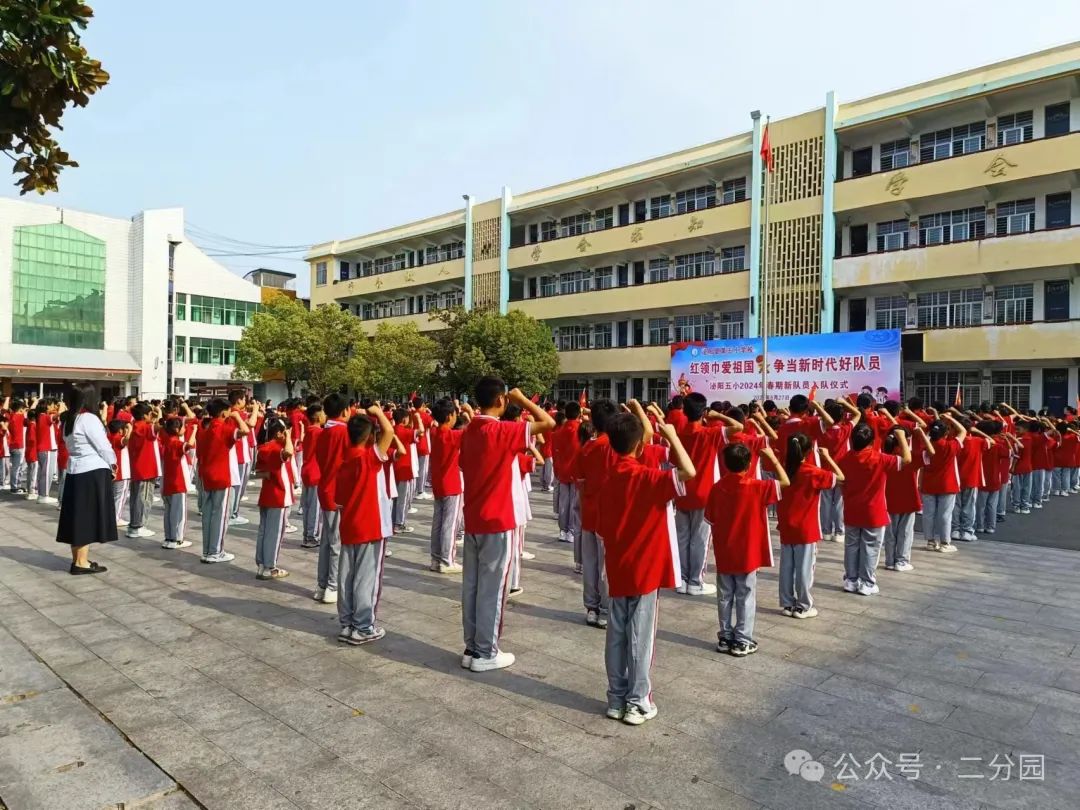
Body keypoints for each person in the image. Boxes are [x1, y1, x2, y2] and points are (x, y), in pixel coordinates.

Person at [596, 413, 695, 725]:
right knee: (640, 636)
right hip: (645, 568)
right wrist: (673, 437)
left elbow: (601, 527)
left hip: (618, 564)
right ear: (640, 446)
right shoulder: (647, 478)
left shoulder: (609, 478)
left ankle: (616, 697)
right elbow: (689, 471)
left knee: (617, 633)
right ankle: (638, 701)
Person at [459, 378, 555, 673]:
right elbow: (548, 423)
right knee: (493, 588)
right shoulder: (501, 430)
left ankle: (473, 646)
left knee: (473, 586)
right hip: (498, 519)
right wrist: (522, 399)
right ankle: (486, 651)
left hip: (475, 516)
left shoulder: (469, 429)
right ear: (501, 400)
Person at [706, 442, 788, 656]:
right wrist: (773, 458)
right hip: (748, 550)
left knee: (725, 594)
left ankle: (725, 635)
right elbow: (785, 481)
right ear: (749, 463)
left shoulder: (717, 487)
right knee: (745, 593)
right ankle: (742, 638)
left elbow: (710, 518)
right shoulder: (757, 486)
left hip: (725, 549)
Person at [335, 406, 396, 645]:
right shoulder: (368, 459)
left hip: (350, 524)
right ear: (370, 437)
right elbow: (389, 432)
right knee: (366, 578)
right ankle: (363, 626)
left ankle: (348, 623)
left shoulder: (345, 462)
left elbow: (339, 500)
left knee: (347, 576)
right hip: (371, 524)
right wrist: (379, 412)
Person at [674, 392, 735, 596]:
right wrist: (719, 416)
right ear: (703, 412)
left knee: (682, 537)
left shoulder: (679, 433)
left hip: (682, 491)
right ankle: (695, 581)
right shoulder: (710, 433)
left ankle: (681, 578)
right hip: (703, 493)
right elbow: (739, 427)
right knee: (699, 539)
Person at [777, 433, 843, 619]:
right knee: (805, 568)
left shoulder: (783, 470)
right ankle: (803, 605)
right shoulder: (812, 472)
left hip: (786, 525)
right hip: (806, 527)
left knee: (787, 567)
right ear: (807, 451)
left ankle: (787, 602)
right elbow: (841, 478)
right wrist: (827, 457)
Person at [839, 422, 910, 595]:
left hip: (852, 508)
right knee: (870, 546)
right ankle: (867, 582)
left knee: (852, 545)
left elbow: (841, 482)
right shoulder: (879, 458)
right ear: (871, 441)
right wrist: (901, 437)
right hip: (874, 510)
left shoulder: (845, 458)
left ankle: (851, 579)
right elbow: (906, 460)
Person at [56, 384, 117, 574]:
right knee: (86, 518)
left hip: (75, 471)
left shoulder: (68, 419)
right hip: (91, 471)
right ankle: (81, 563)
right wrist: (113, 463)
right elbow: (103, 446)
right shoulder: (89, 419)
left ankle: (79, 559)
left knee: (77, 516)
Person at [576, 399, 620, 627]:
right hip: (608, 515)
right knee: (606, 566)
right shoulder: (614, 447)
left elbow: (581, 484)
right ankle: (604, 608)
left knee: (591, 564)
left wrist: (584, 511)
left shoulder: (587, 448)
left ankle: (591, 607)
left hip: (589, 513)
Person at [195, 398, 250, 563]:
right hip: (221, 476)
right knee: (220, 515)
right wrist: (238, 417)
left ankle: (207, 549)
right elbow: (245, 431)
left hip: (207, 475)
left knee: (208, 514)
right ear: (223, 412)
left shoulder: (204, 428)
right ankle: (215, 551)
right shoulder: (223, 428)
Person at [314, 393, 350, 604]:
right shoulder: (343, 432)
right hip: (337, 491)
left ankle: (322, 584)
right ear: (345, 411)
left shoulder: (322, 432)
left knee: (328, 541)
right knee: (336, 542)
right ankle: (332, 585)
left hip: (325, 487)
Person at [883, 424, 931, 572]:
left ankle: (890, 560)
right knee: (905, 532)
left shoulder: (884, 455)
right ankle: (902, 561)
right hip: (908, 498)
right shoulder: (912, 455)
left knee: (890, 533)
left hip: (888, 498)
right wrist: (922, 434)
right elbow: (931, 452)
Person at [253, 418, 294, 580]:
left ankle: (262, 564)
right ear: (278, 433)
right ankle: (270, 566)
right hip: (279, 495)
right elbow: (289, 453)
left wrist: (269, 474)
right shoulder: (276, 448)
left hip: (267, 494)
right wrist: (288, 438)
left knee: (264, 531)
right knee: (275, 533)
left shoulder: (262, 448)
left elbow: (258, 472)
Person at [920, 413, 967, 554]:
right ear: (945, 433)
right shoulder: (950, 446)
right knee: (945, 514)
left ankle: (930, 541)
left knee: (929, 514)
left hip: (929, 484)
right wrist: (950, 419)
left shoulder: (926, 448)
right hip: (947, 484)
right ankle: (945, 543)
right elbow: (963, 431)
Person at [428, 399, 465, 574]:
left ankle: (436, 558)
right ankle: (447, 560)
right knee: (450, 523)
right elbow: (473, 430)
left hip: (438, 482)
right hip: (451, 483)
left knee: (438, 522)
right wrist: (470, 413)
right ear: (450, 416)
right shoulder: (451, 435)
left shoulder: (435, 432)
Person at [817, 398, 860, 541]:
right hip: (841, 470)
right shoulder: (845, 430)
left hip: (825, 469)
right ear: (842, 416)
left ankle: (826, 530)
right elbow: (857, 414)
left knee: (826, 501)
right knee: (839, 502)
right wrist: (845, 402)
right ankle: (839, 532)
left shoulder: (822, 430)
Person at [951, 416, 990, 543]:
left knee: (955, 505)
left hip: (955, 478)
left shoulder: (952, 441)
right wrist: (977, 431)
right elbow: (991, 441)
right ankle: (967, 531)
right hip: (971, 478)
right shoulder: (977, 441)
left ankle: (955, 530)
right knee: (969, 505)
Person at [160, 417, 196, 550]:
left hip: (167, 482)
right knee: (179, 513)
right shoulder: (175, 443)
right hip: (178, 482)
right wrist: (194, 431)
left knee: (169, 512)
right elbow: (189, 445)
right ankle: (178, 539)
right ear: (176, 429)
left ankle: (169, 537)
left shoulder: (166, 442)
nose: (184, 429)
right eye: (182, 427)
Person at [125, 402, 160, 539]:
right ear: (145, 415)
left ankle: (134, 524)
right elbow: (158, 427)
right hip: (146, 469)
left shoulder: (136, 426)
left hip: (138, 468)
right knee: (144, 498)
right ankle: (138, 525)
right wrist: (158, 413)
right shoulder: (144, 427)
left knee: (136, 497)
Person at [551, 401, 582, 551]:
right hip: (576, 471)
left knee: (564, 502)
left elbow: (554, 453)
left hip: (562, 470)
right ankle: (570, 530)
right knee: (574, 504)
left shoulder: (557, 432)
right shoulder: (581, 430)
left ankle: (563, 530)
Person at [227, 392, 260, 526]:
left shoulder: (235, 412)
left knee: (238, 485)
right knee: (237, 486)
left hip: (240, 453)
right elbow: (251, 423)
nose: (246, 402)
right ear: (239, 400)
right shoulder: (236, 413)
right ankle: (233, 513)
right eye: (244, 399)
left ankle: (233, 512)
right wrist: (256, 409)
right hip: (240, 454)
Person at [391, 408, 424, 533]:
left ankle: (393, 521)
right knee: (402, 500)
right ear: (404, 419)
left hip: (393, 468)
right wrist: (417, 418)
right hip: (404, 470)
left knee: (394, 499)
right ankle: (399, 523)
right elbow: (420, 431)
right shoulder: (404, 431)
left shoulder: (391, 430)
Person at [975, 421, 1009, 535]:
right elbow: (1008, 453)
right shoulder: (998, 444)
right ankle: (990, 526)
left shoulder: (979, 443)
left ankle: (979, 526)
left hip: (982, 478)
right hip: (995, 478)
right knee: (992, 505)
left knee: (980, 505)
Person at [299, 403, 325, 550]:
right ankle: (312, 536)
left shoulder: (310, 430)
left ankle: (308, 534)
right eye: (322, 413)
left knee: (308, 506)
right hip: (316, 472)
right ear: (317, 416)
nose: (325, 416)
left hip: (308, 470)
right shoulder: (318, 432)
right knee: (315, 507)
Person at [35, 398, 60, 504]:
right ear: (47, 406)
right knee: (47, 473)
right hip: (47, 448)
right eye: (52, 405)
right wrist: (61, 407)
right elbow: (56, 416)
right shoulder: (44, 416)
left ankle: (42, 494)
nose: (53, 407)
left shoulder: (40, 417)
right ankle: (44, 495)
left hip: (45, 448)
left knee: (43, 472)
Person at [7, 399, 27, 494]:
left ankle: (17, 485)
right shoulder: (19, 416)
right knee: (17, 467)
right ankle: (14, 487)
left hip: (12, 444)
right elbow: (31, 414)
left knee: (16, 467)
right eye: (23, 409)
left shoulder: (11, 416)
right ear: (20, 409)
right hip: (18, 445)